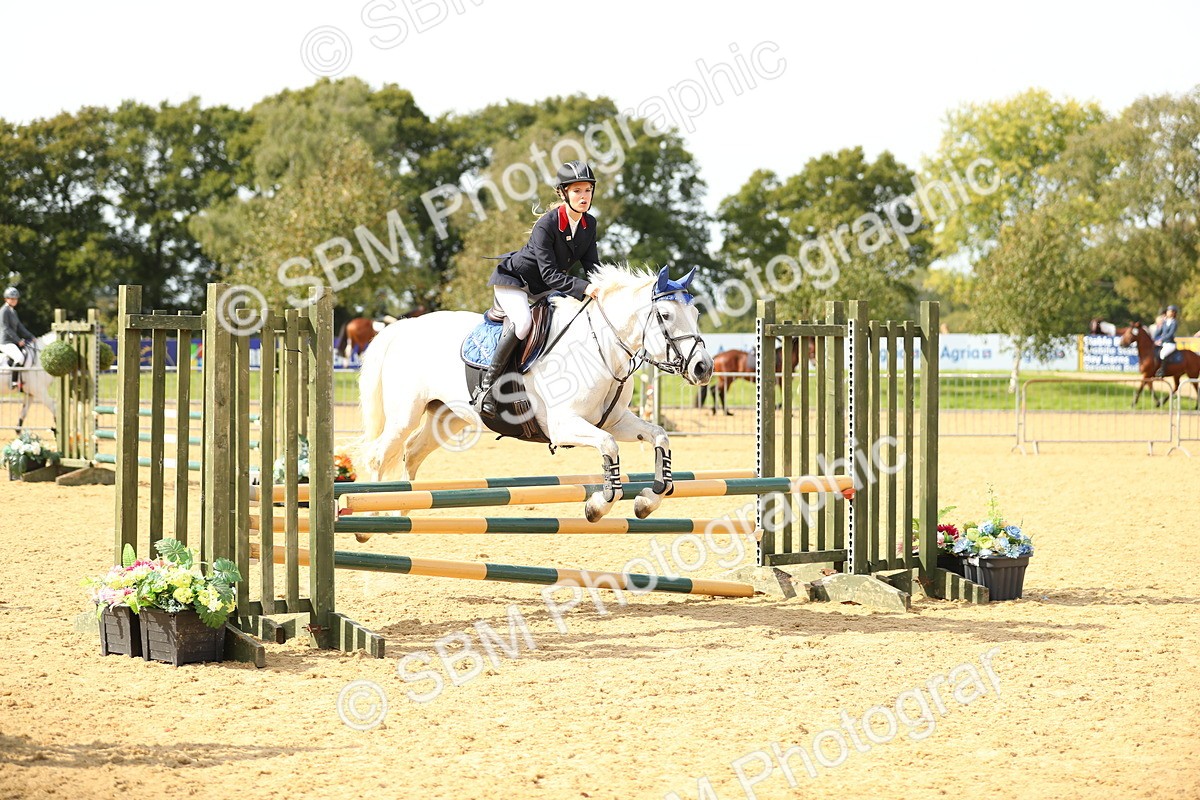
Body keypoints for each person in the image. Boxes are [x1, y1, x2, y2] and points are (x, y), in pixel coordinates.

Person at [474, 160, 603, 416]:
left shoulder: (589, 225)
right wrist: (585, 288)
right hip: (515, 282)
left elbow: (594, 268)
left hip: (544, 287)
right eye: (577, 191)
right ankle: (486, 388)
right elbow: (551, 274)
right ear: (563, 193)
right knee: (522, 323)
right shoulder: (547, 224)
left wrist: (606, 288)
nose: (583, 196)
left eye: (587, 190)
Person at [1, 287, 35, 389]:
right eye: (11, 298)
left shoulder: (13, 312)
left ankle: (22, 380)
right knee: (19, 358)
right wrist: (18, 340)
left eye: (15, 299)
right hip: (5, 342)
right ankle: (13, 382)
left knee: (26, 355)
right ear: (6, 299)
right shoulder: (3, 311)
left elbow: (20, 326)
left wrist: (31, 336)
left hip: (12, 342)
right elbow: (6, 328)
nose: (14, 300)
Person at [1154, 304, 1179, 377]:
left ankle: (1162, 371)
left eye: (1169, 311)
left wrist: (1161, 339)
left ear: (1174, 313)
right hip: (1163, 343)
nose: (1168, 312)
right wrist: (1154, 338)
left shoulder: (1174, 323)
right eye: (1168, 311)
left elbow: (1170, 334)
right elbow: (1159, 332)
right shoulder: (1164, 322)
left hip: (1170, 343)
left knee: (1163, 354)